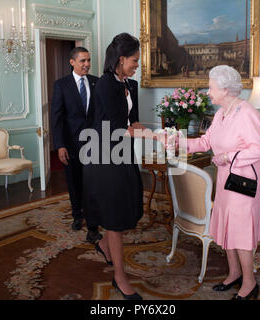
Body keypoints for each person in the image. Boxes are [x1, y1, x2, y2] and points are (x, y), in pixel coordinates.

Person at [183, 65, 260, 300]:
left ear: (226, 89)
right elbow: (205, 141)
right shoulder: (220, 114)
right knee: (228, 226)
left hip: (243, 181)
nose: (208, 92)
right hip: (224, 179)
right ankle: (234, 273)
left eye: (211, 87)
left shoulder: (246, 112)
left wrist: (229, 157)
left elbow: (259, 149)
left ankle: (249, 283)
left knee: (240, 230)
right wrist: (180, 143)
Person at [82, 33, 154, 300]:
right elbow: (114, 129)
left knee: (126, 207)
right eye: (134, 60)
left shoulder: (131, 85)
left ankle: (102, 243)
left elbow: (131, 123)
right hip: (102, 156)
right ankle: (120, 279)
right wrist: (149, 136)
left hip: (122, 153)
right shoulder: (104, 85)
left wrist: (157, 132)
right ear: (121, 59)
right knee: (113, 218)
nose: (137, 64)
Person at [51, 47, 102, 243]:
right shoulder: (61, 85)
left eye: (88, 60)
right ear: (72, 62)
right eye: (82, 61)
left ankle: (93, 222)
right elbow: (56, 118)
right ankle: (77, 215)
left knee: (93, 184)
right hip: (71, 145)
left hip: (95, 144)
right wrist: (60, 145)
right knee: (74, 183)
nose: (87, 64)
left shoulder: (97, 82)